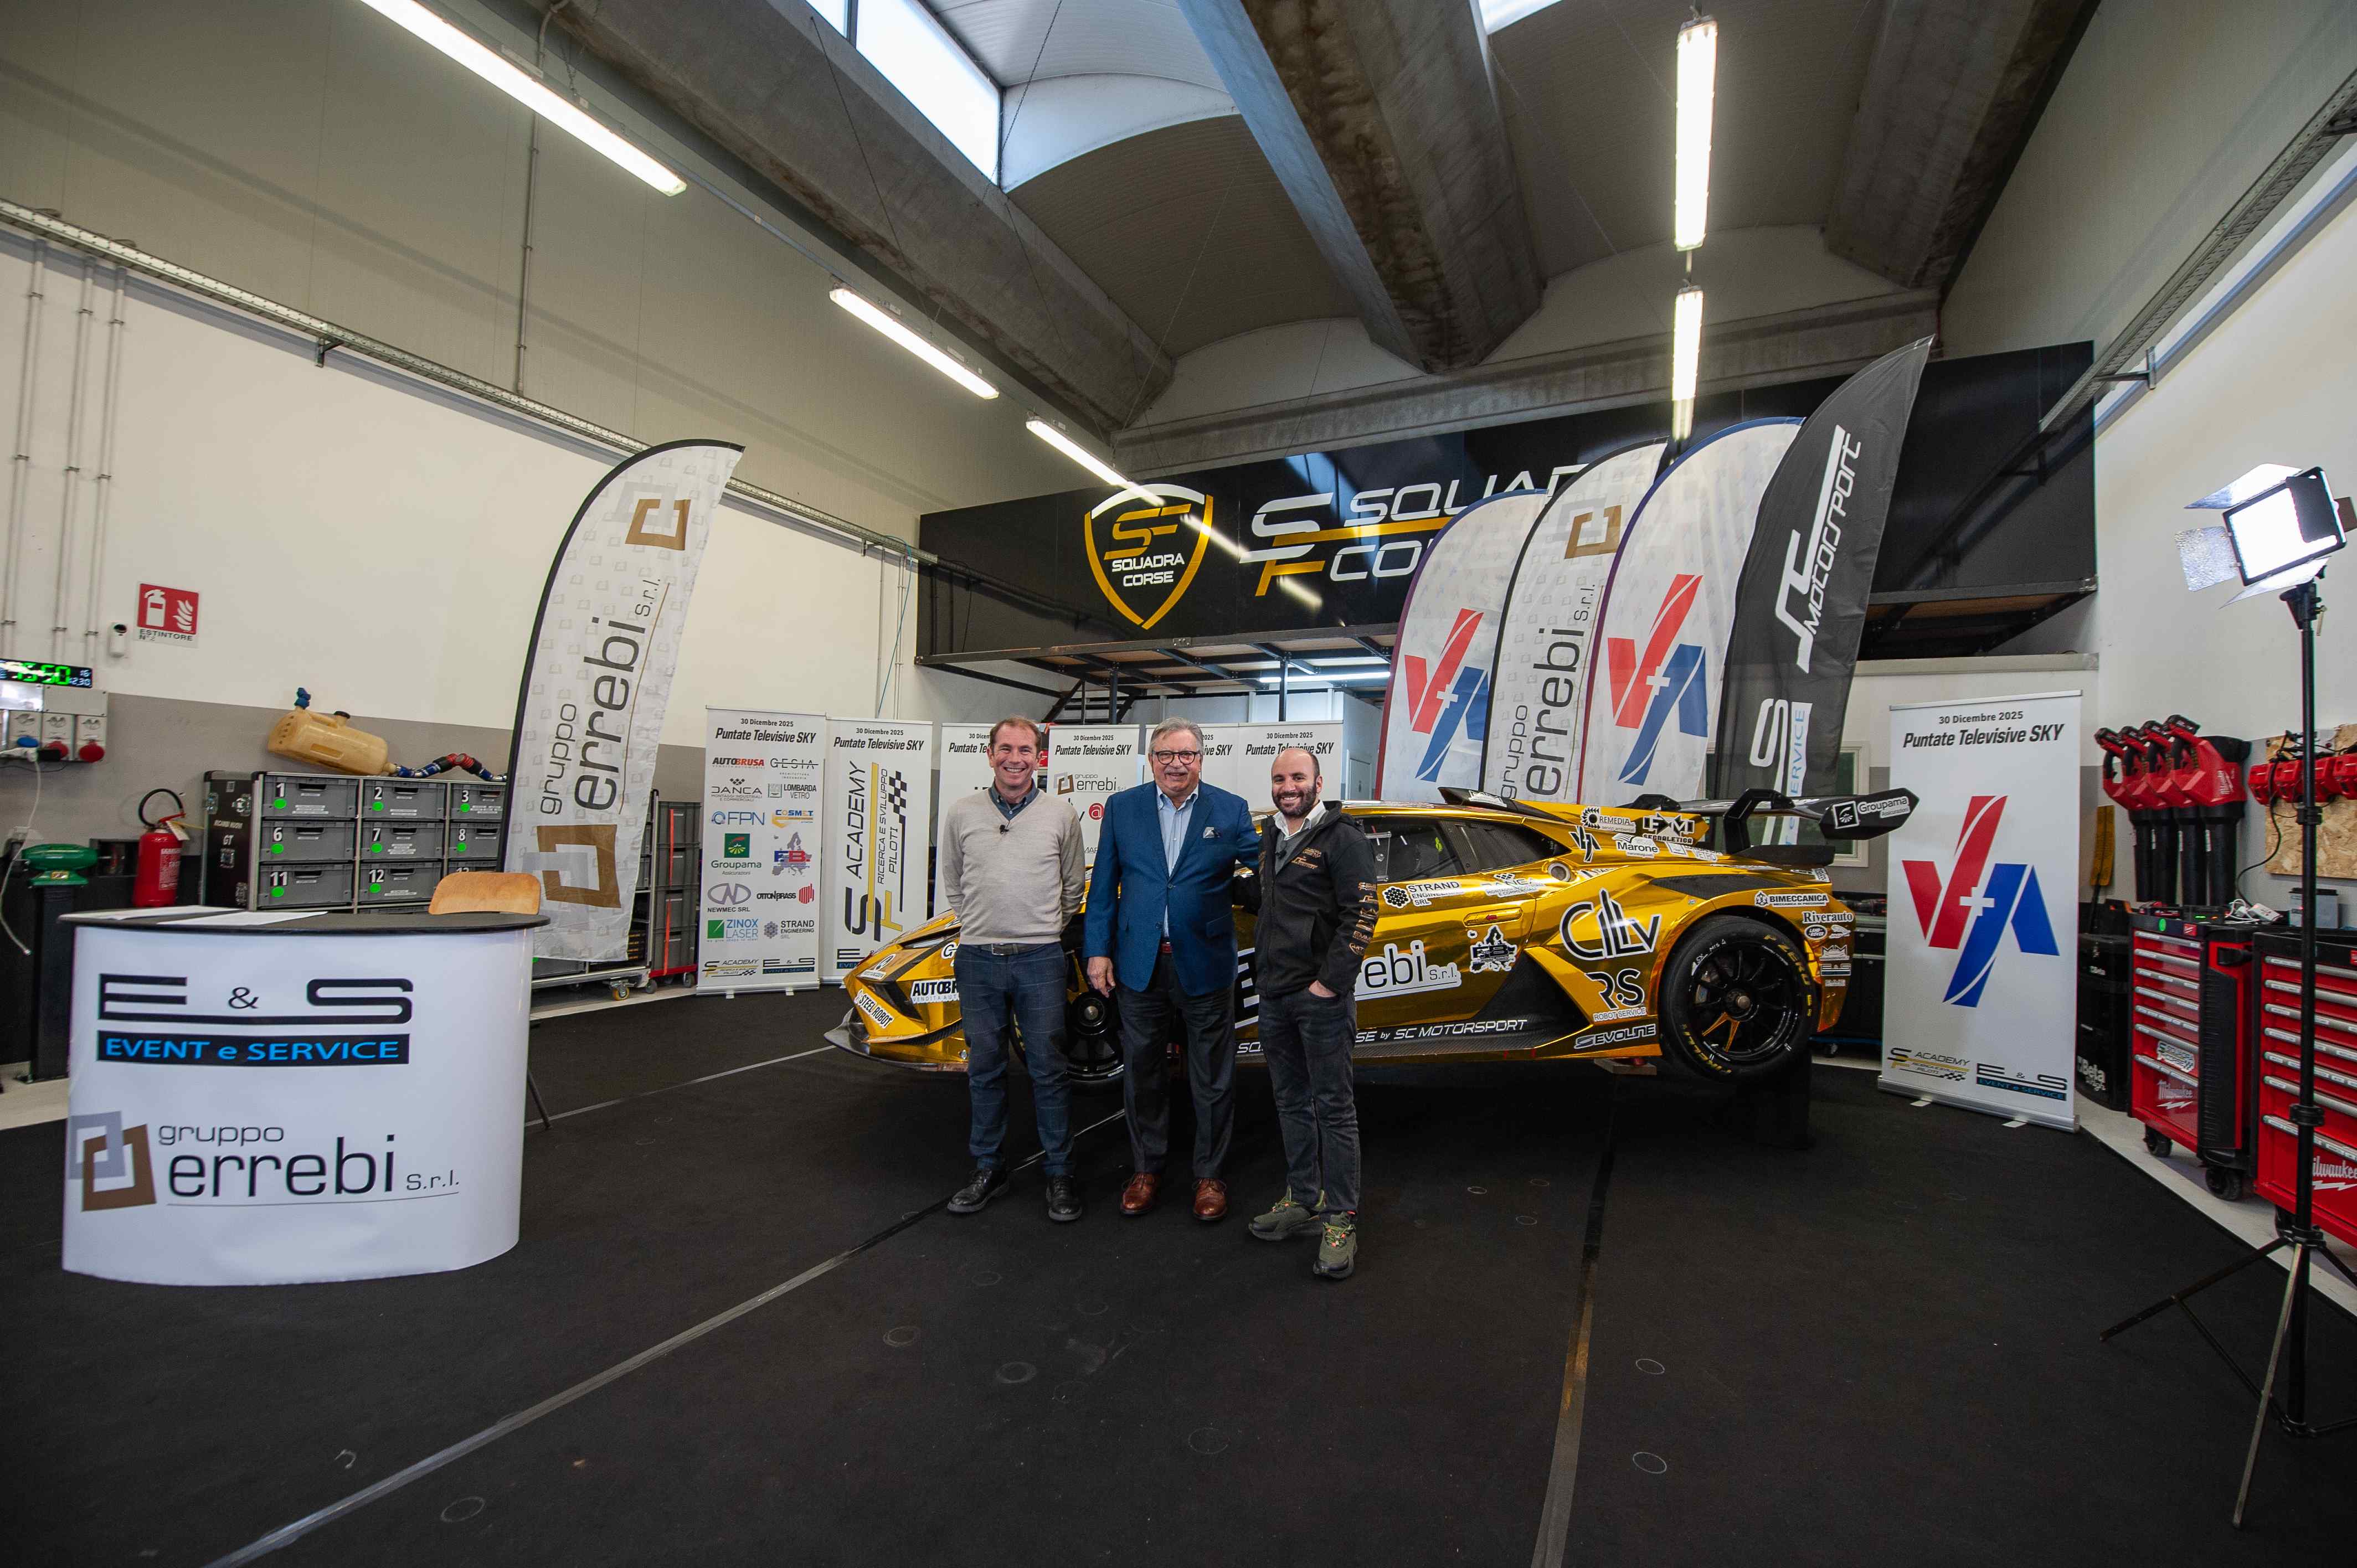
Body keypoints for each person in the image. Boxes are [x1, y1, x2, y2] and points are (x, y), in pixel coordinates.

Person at [1084, 718, 1263, 1221]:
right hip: (1139, 965)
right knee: (1142, 1073)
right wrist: (1098, 951)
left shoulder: (1230, 809)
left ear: (1201, 759)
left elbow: (1267, 865)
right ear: (1151, 760)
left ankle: (1210, 1176)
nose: (1176, 764)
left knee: (1213, 1077)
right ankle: (1147, 1169)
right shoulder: (1122, 808)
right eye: (1165, 755)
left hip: (1207, 962)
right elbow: (1104, 886)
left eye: (1186, 755)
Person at [936, 716, 1088, 1223]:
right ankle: (989, 1168)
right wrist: (982, 925)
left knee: (1049, 1070)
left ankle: (1060, 1173)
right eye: (1006, 749)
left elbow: (1072, 886)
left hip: (1040, 959)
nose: (1015, 759)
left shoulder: (1061, 814)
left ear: (1039, 757)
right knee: (985, 1070)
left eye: (1025, 750)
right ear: (990, 754)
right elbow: (953, 881)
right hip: (978, 959)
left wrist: (1041, 929)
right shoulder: (962, 813)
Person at [1241, 745, 1376, 1280]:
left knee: (1334, 1108)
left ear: (1319, 783)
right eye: (1280, 779)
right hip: (1274, 995)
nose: (1288, 787)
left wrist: (1328, 985)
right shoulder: (1272, 834)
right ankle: (1303, 1197)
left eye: (1298, 777)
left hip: (1319, 1000)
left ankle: (1341, 1218)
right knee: (1290, 1100)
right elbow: (1274, 901)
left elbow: (1362, 915)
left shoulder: (1344, 839)